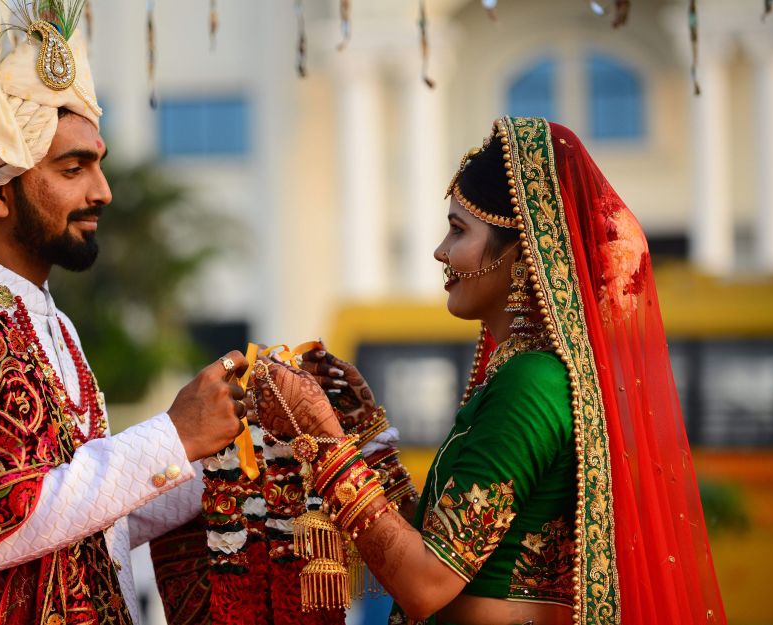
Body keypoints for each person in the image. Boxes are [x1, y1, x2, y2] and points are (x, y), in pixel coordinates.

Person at [0, 2, 247, 624]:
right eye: (72, 168)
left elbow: (91, 521)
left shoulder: (53, 323)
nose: (101, 191)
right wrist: (174, 433)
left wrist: (239, 450)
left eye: (98, 163)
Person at [251, 117, 726, 625]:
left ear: (522, 256)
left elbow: (427, 582)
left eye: (458, 230)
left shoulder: (531, 383)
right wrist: (365, 437)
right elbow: (446, 546)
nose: (440, 251)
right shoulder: (528, 375)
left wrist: (322, 439)